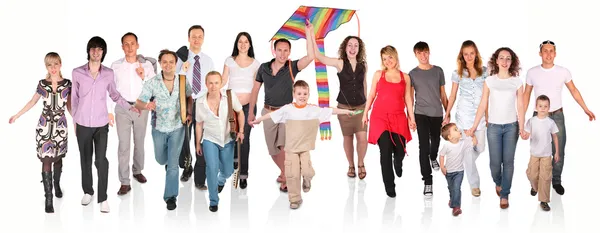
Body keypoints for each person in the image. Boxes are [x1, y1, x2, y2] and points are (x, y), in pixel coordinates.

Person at [250, 80, 357, 209]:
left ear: (308, 94)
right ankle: (294, 199)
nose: (302, 96)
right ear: (294, 94)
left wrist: (347, 111)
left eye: (305, 93)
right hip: (291, 150)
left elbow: (331, 111)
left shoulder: (312, 110)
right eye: (299, 93)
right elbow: (272, 115)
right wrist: (258, 120)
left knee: (307, 171)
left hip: (305, 149)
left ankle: (307, 179)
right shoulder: (288, 109)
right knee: (292, 175)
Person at [71, 36, 140, 213]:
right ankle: (88, 191)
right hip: (83, 123)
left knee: (101, 160)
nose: (96, 52)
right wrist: (75, 122)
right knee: (85, 159)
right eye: (93, 48)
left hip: (101, 124)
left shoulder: (108, 74)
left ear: (103, 52)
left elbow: (115, 95)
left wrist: (130, 107)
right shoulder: (77, 72)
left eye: (99, 49)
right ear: (88, 51)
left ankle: (103, 198)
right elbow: (74, 99)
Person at [247, 21, 315, 191]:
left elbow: (311, 56)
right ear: (274, 50)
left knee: (285, 148)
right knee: (272, 150)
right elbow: (255, 90)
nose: (283, 54)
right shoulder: (263, 68)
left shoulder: (292, 67)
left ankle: (287, 176)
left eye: (286, 50)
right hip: (268, 112)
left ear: (289, 52)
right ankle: (288, 171)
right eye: (280, 50)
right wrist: (250, 113)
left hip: (286, 114)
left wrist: (309, 33)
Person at [523, 40, 596, 195]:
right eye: (545, 51)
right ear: (540, 53)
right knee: (538, 150)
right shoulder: (532, 72)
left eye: (551, 51)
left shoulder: (563, 71)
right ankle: (535, 182)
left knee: (558, 149)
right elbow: (526, 95)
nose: (548, 54)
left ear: (555, 54)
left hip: (557, 115)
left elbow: (574, 90)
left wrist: (585, 109)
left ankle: (556, 181)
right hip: (538, 117)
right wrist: (521, 118)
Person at [8, 52, 71, 213]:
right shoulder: (43, 84)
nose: (53, 68)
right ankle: (48, 198)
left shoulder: (67, 84)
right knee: (46, 160)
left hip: (60, 126)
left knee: (57, 159)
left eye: (56, 64)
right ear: (46, 67)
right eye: (50, 65)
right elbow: (32, 101)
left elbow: (70, 107)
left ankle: (56, 184)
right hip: (44, 127)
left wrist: (77, 124)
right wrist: (17, 115)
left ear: (60, 64)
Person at [467, 47, 525, 209]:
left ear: (512, 62)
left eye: (508, 58)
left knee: (508, 161)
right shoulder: (490, 81)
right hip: (493, 126)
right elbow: (483, 104)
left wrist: (522, 127)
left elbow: (520, 106)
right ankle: (498, 182)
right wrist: (473, 126)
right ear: (496, 61)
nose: (505, 61)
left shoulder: (517, 82)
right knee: (494, 163)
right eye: (502, 58)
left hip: (511, 127)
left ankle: (505, 194)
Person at [135, 49, 192, 210]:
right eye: (165, 62)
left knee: (173, 164)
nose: (168, 65)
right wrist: (147, 105)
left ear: (176, 64)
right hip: (159, 128)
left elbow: (189, 96)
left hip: (177, 127)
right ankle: (168, 164)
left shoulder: (182, 80)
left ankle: (170, 197)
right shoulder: (152, 82)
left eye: (171, 62)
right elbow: (138, 102)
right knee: (161, 159)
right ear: (160, 63)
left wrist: (188, 112)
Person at [310, 34, 369, 179]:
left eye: (356, 45)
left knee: (362, 138)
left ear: (359, 48)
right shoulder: (340, 63)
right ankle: (351, 165)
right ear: (345, 47)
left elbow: (364, 84)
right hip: (344, 107)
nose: (353, 48)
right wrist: (311, 35)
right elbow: (320, 57)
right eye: (350, 45)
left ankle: (361, 162)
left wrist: (367, 106)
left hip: (361, 107)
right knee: (348, 137)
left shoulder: (364, 65)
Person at [362, 45, 416, 198]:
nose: (387, 61)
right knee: (385, 151)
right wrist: (365, 113)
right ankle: (390, 186)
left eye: (390, 57)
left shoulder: (405, 77)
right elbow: (371, 94)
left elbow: (408, 98)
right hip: (380, 117)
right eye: (384, 59)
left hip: (398, 117)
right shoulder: (379, 74)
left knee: (400, 150)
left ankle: (398, 162)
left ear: (396, 57)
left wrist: (411, 118)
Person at [109, 32, 157, 195]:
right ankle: (124, 181)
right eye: (126, 44)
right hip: (122, 108)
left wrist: (143, 77)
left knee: (139, 142)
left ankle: (137, 170)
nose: (129, 47)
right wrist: (110, 111)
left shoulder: (147, 66)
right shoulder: (115, 66)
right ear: (122, 47)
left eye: (132, 43)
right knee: (123, 145)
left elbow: (154, 88)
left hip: (141, 107)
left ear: (138, 45)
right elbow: (111, 90)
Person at [195, 71, 245, 212]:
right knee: (211, 168)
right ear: (206, 84)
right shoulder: (200, 102)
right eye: (210, 83)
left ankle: (220, 181)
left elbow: (240, 112)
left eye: (216, 82)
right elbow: (199, 124)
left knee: (228, 171)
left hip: (227, 139)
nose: (213, 86)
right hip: (210, 139)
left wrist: (241, 131)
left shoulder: (229, 96)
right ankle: (213, 200)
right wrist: (198, 143)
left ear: (220, 83)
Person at [443, 40, 488, 197]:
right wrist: (447, 113)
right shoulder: (458, 73)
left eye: (472, 53)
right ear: (462, 55)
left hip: (480, 118)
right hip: (464, 117)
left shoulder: (485, 71)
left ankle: (461, 161)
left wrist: (488, 115)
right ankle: (474, 185)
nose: (469, 56)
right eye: (466, 54)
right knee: (469, 151)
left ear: (476, 54)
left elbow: (488, 96)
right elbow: (453, 95)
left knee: (480, 148)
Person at [175, 25, 217, 189]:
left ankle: (200, 178)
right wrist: (183, 69)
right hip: (185, 102)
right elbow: (174, 80)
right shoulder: (180, 59)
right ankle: (187, 167)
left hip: (202, 104)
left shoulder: (208, 60)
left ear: (203, 39)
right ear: (188, 38)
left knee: (202, 141)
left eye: (200, 36)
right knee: (185, 139)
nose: (197, 39)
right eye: (193, 36)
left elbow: (213, 84)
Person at [221, 32, 260, 189]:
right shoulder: (229, 61)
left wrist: (252, 108)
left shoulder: (256, 63)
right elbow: (223, 80)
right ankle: (233, 162)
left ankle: (243, 174)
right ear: (236, 44)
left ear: (250, 45)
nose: (243, 44)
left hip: (248, 106)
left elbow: (256, 87)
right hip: (231, 104)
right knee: (231, 136)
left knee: (244, 139)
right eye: (240, 42)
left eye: (246, 42)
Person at [408, 41, 448, 196]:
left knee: (435, 143)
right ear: (415, 55)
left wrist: (448, 111)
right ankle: (427, 180)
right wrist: (410, 118)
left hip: (437, 113)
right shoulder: (412, 74)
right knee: (423, 146)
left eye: (425, 52)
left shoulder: (438, 71)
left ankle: (433, 157)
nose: (423, 56)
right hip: (421, 113)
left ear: (429, 52)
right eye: (419, 53)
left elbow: (443, 94)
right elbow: (410, 98)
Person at [522, 95, 559, 211]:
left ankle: (544, 200)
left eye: (545, 106)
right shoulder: (531, 121)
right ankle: (534, 186)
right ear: (536, 107)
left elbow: (555, 137)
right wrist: (524, 136)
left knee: (545, 177)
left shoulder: (550, 122)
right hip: (534, 154)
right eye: (540, 106)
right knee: (532, 174)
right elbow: (526, 134)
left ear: (549, 108)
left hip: (546, 155)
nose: (543, 108)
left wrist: (557, 152)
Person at [439, 123, 478, 216]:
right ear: (450, 137)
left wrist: (473, 136)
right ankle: (452, 200)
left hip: (459, 172)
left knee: (456, 188)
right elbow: (441, 155)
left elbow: (474, 143)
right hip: (448, 172)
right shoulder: (447, 145)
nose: (459, 130)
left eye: (457, 128)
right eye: (455, 130)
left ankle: (456, 207)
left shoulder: (463, 143)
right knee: (451, 188)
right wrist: (442, 167)